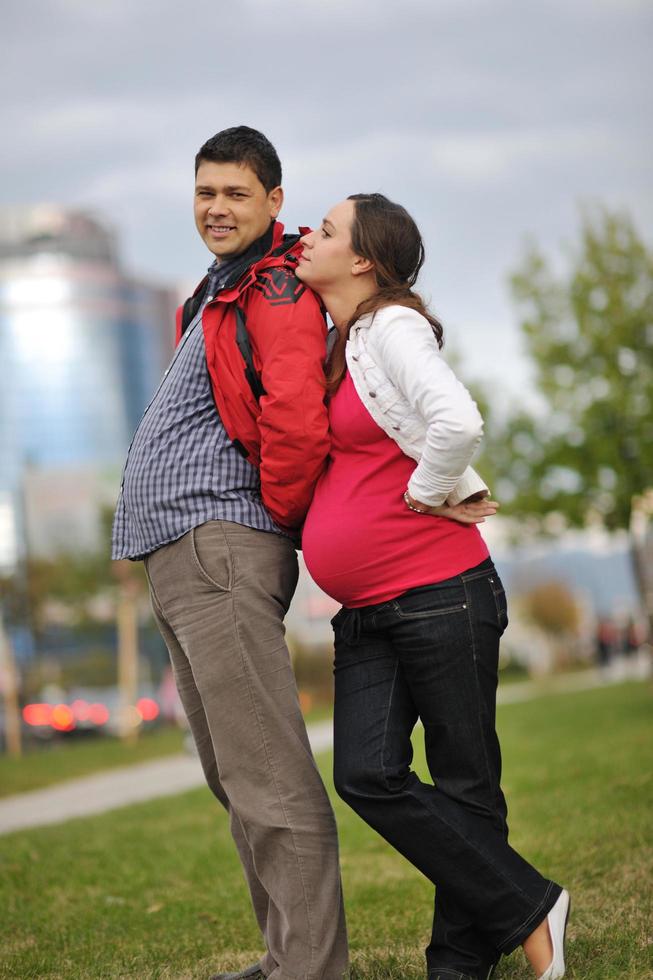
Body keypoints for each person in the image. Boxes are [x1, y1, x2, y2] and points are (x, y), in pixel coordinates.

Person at [295, 193, 570, 980]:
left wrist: (419, 498)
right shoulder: (336, 343)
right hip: (368, 611)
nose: (308, 237)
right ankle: (530, 902)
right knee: (366, 775)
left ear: (362, 260)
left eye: (326, 229)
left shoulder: (391, 328)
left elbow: (456, 422)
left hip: (438, 591)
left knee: (464, 783)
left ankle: (456, 965)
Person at [112, 127, 348, 980]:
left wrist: (265, 528)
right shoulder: (218, 290)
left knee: (270, 779)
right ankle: (287, 956)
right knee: (233, 776)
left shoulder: (276, 289)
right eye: (206, 191)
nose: (217, 207)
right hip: (182, 552)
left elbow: (294, 422)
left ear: (274, 202)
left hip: (221, 547)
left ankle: (311, 971)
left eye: (236, 194)